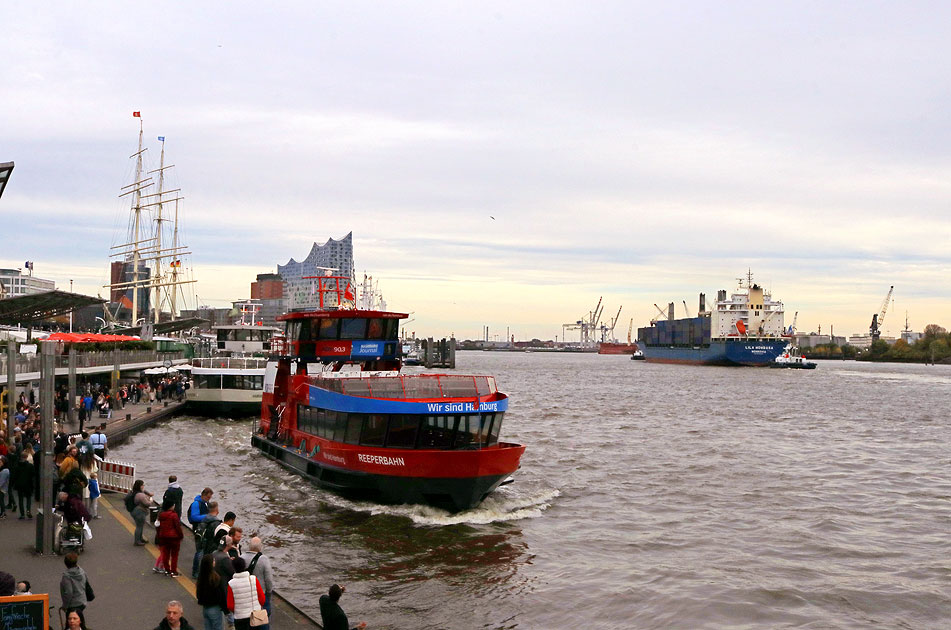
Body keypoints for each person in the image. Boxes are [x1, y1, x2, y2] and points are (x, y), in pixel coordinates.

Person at [241, 537, 274, 630]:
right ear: (260, 547)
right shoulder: (263, 559)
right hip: (260, 595)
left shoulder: (241, 557)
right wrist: (268, 592)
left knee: (248, 621)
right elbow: (268, 579)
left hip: (245, 594)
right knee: (262, 620)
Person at [226, 557, 265, 630]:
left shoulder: (231, 584)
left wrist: (238, 611)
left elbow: (230, 605)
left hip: (240, 618)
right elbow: (262, 598)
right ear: (244, 566)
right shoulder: (253, 579)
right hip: (255, 616)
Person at [196, 554, 227, 630]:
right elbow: (221, 594)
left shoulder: (201, 577)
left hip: (205, 608)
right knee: (218, 627)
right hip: (215, 608)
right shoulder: (215, 578)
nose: (214, 562)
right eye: (213, 560)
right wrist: (226, 609)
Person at [155, 498, 185, 576]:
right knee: (174, 555)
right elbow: (177, 527)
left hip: (164, 537)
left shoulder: (161, 515)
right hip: (174, 538)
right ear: (171, 506)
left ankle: (167, 570)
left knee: (166, 554)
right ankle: (173, 571)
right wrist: (181, 536)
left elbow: (159, 527)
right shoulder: (174, 515)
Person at [188, 487, 214, 578]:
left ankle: (202, 571)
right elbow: (194, 517)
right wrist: (208, 516)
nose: (208, 499)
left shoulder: (206, 504)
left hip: (205, 530)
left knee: (204, 551)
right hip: (199, 530)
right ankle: (195, 572)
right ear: (203, 495)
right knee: (199, 551)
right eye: (207, 497)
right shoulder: (196, 504)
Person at [60, 552, 89, 629]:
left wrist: (65, 606)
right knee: (79, 620)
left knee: (70, 623)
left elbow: (69, 593)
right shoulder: (81, 571)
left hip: (72, 604)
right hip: (82, 601)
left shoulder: (66, 576)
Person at [130, 479, 154, 545]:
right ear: (140, 486)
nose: (144, 486)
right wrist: (151, 500)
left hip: (135, 510)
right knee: (139, 526)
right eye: (143, 485)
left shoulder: (135, 492)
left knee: (140, 525)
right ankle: (137, 541)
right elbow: (147, 504)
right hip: (139, 512)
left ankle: (140, 538)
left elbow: (144, 491)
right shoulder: (140, 495)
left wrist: (148, 493)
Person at [13, 450, 34, 519]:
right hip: (28, 484)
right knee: (28, 498)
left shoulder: (17, 466)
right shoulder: (30, 466)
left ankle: (22, 514)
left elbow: (14, 476)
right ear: (27, 457)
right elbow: (32, 476)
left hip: (19, 484)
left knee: (20, 499)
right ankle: (28, 510)